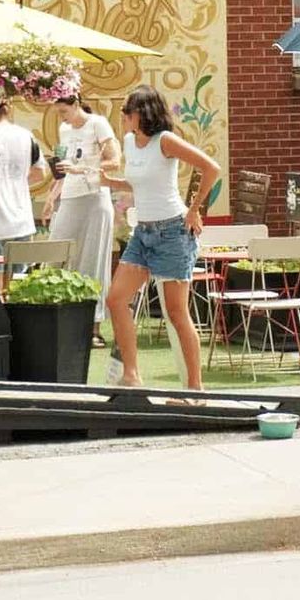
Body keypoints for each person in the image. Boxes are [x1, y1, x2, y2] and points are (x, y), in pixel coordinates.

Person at [103, 85, 221, 391]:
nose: (123, 116)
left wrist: (194, 210)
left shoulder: (165, 141)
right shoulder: (129, 142)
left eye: (126, 111)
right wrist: (107, 181)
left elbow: (211, 168)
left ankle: (195, 389)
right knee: (116, 299)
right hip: (143, 233)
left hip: (172, 232)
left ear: (142, 113)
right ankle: (131, 375)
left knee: (176, 312)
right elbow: (139, 185)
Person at [44, 95, 120, 348]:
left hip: (95, 197)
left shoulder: (98, 124)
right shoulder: (64, 129)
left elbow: (114, 161)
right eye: (59, 113)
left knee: (93, 260)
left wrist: (83, 168)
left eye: (64, 111)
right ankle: (57, 321)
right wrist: (52, 195)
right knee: (56, 254)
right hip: (70, 196)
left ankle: (93, 328)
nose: (62, 117)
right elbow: (64, 168)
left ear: (76, 104)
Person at [0, 101, 47, 294]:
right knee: (19, 278)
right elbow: (40, 172)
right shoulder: (25, 135)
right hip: (21, 217)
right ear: (8, 109)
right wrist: (17, 183)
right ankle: (18, 321)